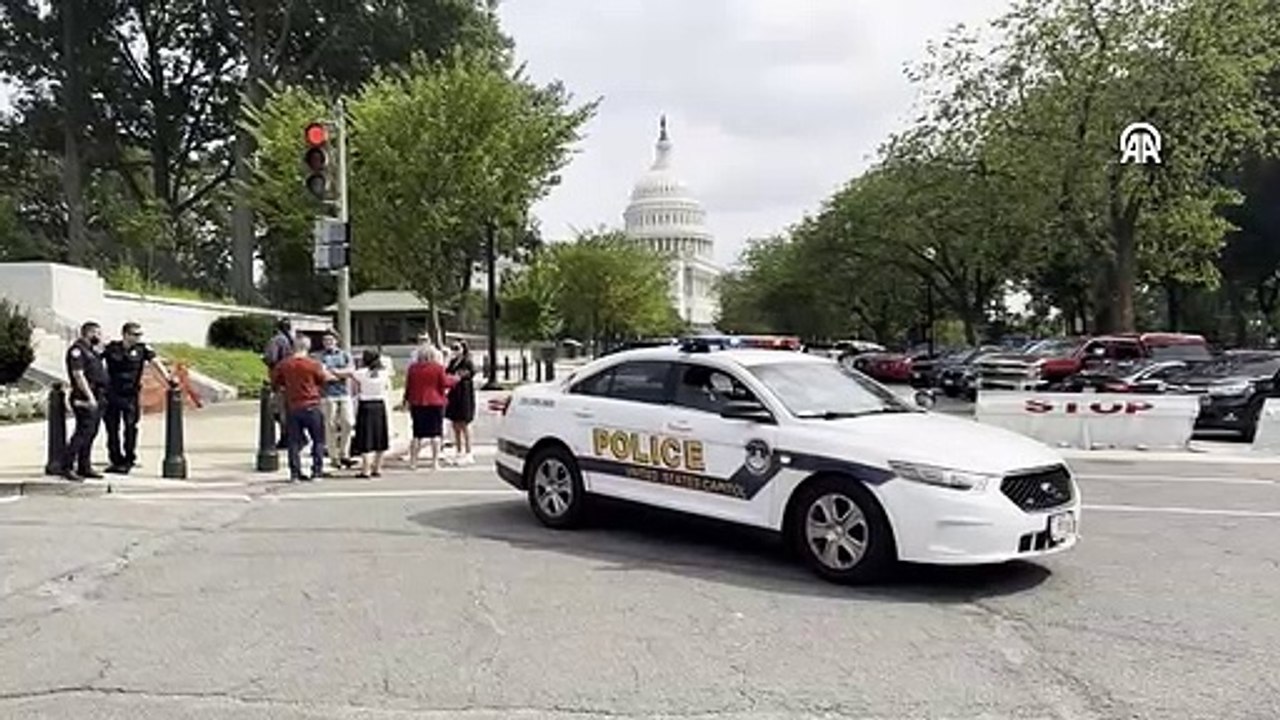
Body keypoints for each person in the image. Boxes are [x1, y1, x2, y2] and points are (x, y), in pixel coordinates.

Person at [102, 322, 170, 474]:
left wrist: (167, 378)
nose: (138, 338)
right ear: (125, 334)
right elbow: (96, 361)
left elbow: (155, 363)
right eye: (135, 334)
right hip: (112, 394)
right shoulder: (112, 348)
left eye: (140, 335)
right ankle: (115, 459)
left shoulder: (142, 349)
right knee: (112, 429)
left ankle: (129, 458)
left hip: (131, 395)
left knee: (131, 427)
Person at [271, 335, 338, 482]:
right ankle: (316, 471)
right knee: (318, 440)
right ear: (307, 347)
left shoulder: (284, 365)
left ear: (293, 347)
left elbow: (275, 382)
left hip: (293, 406)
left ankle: (295, 473)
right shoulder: (313, 364)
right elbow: (323, 379)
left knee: (293, 442)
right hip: (312, 404)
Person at [62, 321, 109, 481]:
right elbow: (78, 375)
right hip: (84, 397)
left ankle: (84, 466)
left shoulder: (92, 351)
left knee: (91, 432)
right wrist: (90, 397)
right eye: (95, 333)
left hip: (98, 395)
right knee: (82, 432)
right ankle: (67, 466)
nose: (98, 336)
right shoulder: (77, 350)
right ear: (87, 333)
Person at [402, 346, 454, 471]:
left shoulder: (413, 369)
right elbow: (445, 383)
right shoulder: (438, 368)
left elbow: (408, 386)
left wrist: (405, 400)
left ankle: (413, 462)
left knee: (417, 434)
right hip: (435, 402)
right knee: (435, 434)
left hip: (417, 402)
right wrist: (455, 379)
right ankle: (434, 462)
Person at [316, 330, 355, 470]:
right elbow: (322, 374)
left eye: (330, 340)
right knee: (330, 425)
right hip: (328, 395)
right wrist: (340, 373)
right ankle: (333, 456)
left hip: (344, 393)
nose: (328, 343)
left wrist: (334, 372)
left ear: (336, 341)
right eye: (325, 340)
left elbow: (351, 371)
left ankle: (345, 452)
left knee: (348, 422)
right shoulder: (319, 357)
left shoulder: (344, 354)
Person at [350, 349, 392, 478]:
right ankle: (377, 467)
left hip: (366, 404)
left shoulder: (361, 373)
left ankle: (366, 469)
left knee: (365, 438)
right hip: (379, 404)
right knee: (380, 437)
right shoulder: (384, 373)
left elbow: (351, 379)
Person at [262, 318, 294, 449]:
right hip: (291, 380)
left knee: (278, 410)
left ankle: (286, 437)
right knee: (288, 409)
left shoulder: (276, 340)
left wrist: (264, 359)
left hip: (279, 379)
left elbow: (271, 358)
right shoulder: (291, 341)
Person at [444, 340, 477, 465]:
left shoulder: (467, 361)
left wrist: (459, 376)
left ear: (463, 349)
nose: (455, 350)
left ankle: (469, 452)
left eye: (457, 348)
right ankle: (458, 451)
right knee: (455, 424)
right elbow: (446, 374)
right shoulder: (452, 362)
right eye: (453, 348)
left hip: (464, 395)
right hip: (454, 395)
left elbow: (470, 373)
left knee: (465, 424)